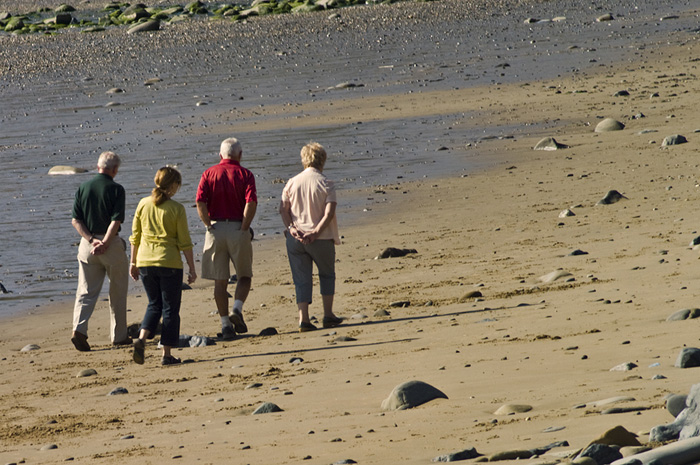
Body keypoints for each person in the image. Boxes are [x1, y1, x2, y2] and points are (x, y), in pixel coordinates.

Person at [129, 167, 196, 366]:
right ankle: (166, 354)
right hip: (169, 263)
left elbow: (135, 236)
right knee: (170, 309)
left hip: (145, 262)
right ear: (173, 185)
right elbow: (184, 241)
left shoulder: (142, 204)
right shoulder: (176, 209)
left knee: (154, 304)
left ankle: (141, 339)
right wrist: (192, 268)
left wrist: (133, 262)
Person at [196, 137, 257, 340]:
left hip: (215, 228)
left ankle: (225, 325)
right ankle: (237, 309)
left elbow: (200, 202)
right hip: (238, 227)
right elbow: (251, 202)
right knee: (244, 276)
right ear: (239, 155)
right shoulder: (245, 174)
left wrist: (207, 224)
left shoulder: (209, 173)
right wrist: (245, 226)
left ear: (220, 155)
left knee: (219, 282)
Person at [279, 142, 342, 332]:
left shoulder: (291, 182)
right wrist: (316, 232)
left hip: (296, 238)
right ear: (322, 160)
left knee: (301, 278)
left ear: (304, 160)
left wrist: (291, 228)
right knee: (327, 274)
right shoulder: (327, 183)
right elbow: (329, 213)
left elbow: (283, 209)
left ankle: (303, 318)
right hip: (321, 238)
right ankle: (328, 314)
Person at [71, 151, 130, 351]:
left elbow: (75, 220)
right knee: (118, 291)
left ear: (98, 167)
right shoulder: (116, 189)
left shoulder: (83, 187)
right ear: (115, 170)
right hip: (110, 244)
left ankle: (79, 329)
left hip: (87, 245)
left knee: (86, 291)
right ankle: (119, 335)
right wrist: (104, 242)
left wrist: (90, 239)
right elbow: (116, 220)